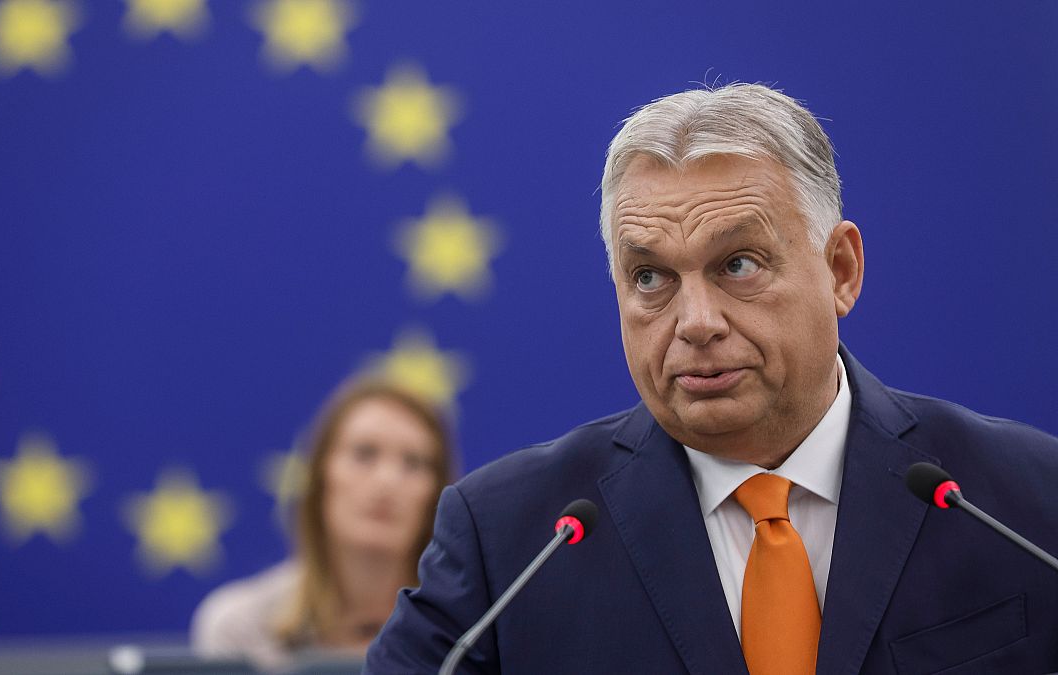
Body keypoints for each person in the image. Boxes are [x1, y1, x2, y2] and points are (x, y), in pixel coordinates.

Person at [364, 84, 1058, 674]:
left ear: (840, 269)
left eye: (738, 264)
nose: (696, 322)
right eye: (650, 277)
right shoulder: (513, 540)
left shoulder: (1023, 500)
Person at [192, 377, 456, 672]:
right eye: (365, 453)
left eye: (414, 463)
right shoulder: (242, 627)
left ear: (440, 493)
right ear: (320, 478)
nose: (387, 481)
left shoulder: (469, 630)